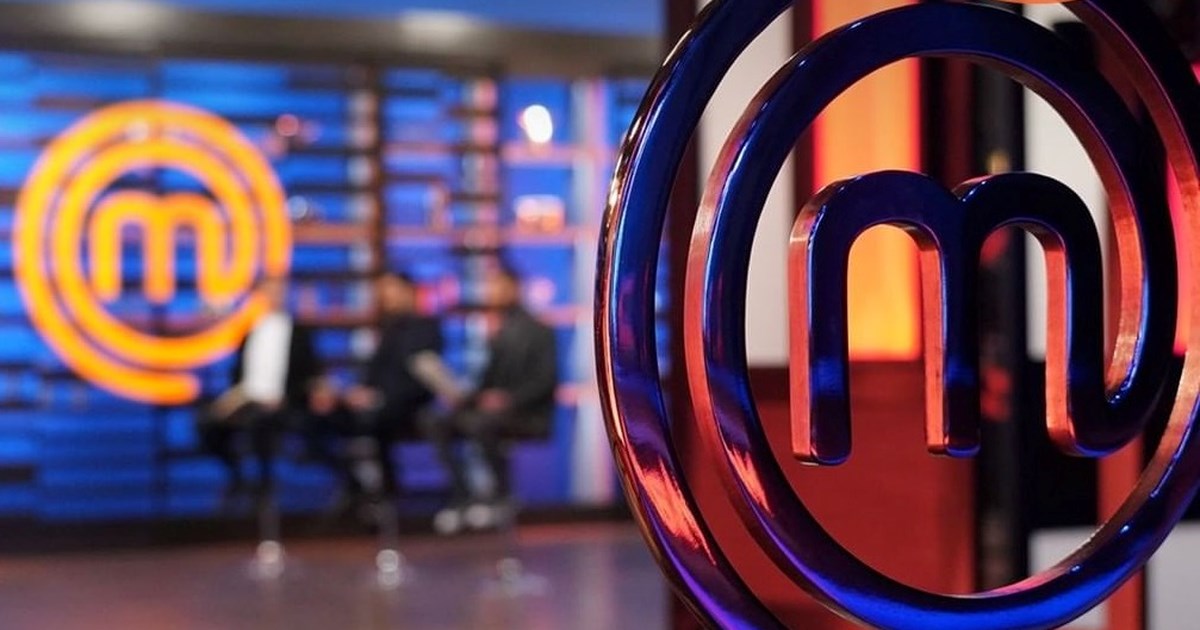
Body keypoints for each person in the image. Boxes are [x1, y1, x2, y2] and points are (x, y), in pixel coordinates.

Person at [423, 262, 558, 533]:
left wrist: (508, 399)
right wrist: (463, 398)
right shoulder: (500, 330)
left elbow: (545, 381)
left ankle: (500, 495)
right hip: (491, 410)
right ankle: (463, 495)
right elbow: (487, 381)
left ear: (514, 288)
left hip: (526, 412)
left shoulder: (539, 330)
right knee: (438, 422)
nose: (493, 292)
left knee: (480, 424)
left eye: (499, 286)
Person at [199, 275, 322, 505]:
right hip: (246, 398)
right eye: (269, 291)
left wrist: (287, 398)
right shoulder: (250, 331)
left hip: (285, 403)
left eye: (279, 291)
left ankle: (264, 487)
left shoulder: (300, 333)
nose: (274, 296)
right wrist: (231, 399)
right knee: (206, 422)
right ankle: (237, 476)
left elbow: (310, 373)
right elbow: (238, 373)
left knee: (260, 424)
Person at [342, 271, 445, 499]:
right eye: (382, 291)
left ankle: (385, 491)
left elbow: (421, 376)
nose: (386, 296)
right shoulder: (388, 327)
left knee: (376, 420)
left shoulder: (425, 326)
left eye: (391, 289)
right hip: (380, 401)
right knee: (333, 418)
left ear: (408, 291)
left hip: (409, 402)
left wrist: (379, 397)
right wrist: (361, 391)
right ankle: (359, 491)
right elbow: (375, 370)